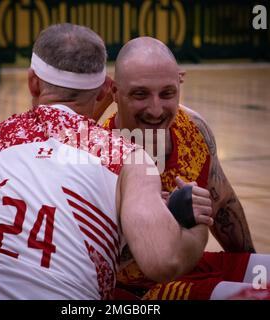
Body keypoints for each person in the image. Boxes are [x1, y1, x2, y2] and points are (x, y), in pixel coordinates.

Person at [0, 24, 210, 299]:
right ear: (104, 92)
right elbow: (162, 260)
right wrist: (198, 228)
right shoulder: (128, 158)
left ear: (32, 82)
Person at [99, 36, 270, 300]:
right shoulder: (96, 152)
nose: (156, 110)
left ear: (180, 81)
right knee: (256, 297)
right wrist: (160, 221)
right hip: (134, 290)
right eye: (140, 94)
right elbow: (91, 259)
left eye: (167, 93)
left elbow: (223, 204)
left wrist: (250, 266)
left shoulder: (193, 127)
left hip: (191, 264)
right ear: (114, 93)